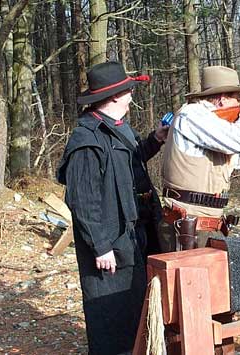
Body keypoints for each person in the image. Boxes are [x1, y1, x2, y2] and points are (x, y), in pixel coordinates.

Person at [56, 61, 168, 355]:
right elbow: (81, 201)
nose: (132, 96)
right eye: (130, 91)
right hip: (110, 244)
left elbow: (130, 163)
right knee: (112, 312)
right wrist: (100, 246)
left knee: (134, 306)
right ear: (117, 96)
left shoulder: (118, 129)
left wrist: (155, 140)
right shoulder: (87, 139)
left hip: (134, 234)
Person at [159, 65, 240, 252]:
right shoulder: (192, 115)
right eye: (237, 99)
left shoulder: (215, 128)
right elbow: (239, 140)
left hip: (209, 226)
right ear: (222, 99)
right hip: (185, 228)